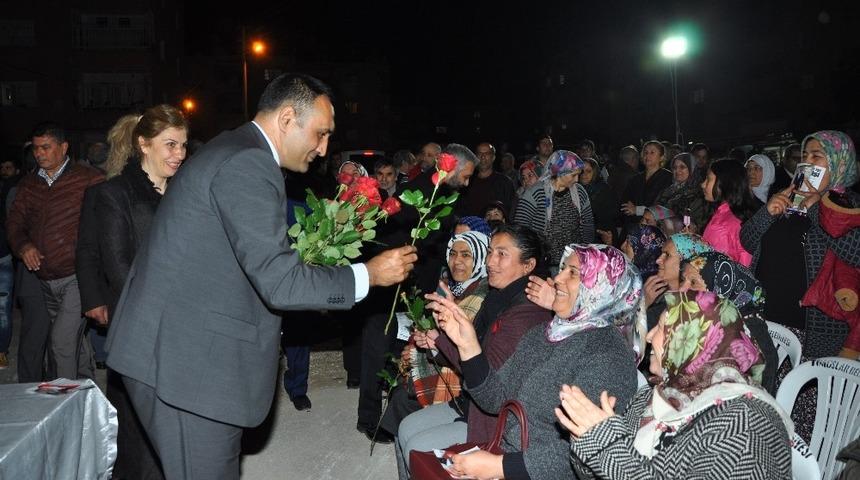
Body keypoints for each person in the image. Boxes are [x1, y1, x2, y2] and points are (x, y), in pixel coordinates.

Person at [104, 73, 417, 479]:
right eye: (320, 134)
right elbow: (280, 280)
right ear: (288, 118)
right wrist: (367, 275)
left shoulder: (234, 149)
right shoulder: (247, 162)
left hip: (181, 355)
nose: (324, 150)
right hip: (187, 368)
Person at [432, 243, 640, 479]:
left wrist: (498, 468)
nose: (557, 278)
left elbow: (586, 453)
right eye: (562, 269)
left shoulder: (608, 356)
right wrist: (467, 346)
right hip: (508, 455)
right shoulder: (546, 333)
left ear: (602, 287)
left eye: (573, 273)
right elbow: (496, 399)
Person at [561, 290, 792, 479]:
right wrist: (585, 437)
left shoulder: (747, 425)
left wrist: (605, 443)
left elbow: (616, 459)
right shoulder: (657, 396)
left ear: (695, 343)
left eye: (662, 328)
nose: (650, 336)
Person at [78, 104, 188, 480]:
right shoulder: (114, 193)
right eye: (170, 145)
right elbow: (117, 266)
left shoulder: (186, 192)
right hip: (141, 328)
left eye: (183, 146)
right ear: (144, 144)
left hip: (183, 325)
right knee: (138, 430)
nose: (178, 154)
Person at [740, 130, 859, 438]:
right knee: (763, 410)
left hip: (816, 331)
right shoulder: (787, 198)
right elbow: (748, 241)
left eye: (817, 156)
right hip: (768, 322)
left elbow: (854, 252)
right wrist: (768, 212)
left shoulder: (848, 207)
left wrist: (820, 206)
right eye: (805, 156)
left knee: (804, 419)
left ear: (838, 164)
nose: (807, 162)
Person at [381, 231, 491, 478]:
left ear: (482, 258)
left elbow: (463, 350)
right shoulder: (454, 287)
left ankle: (413, 465)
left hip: (459, 382)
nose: (457, 261)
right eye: (453, 254)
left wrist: (429, 344)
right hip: (445, 366)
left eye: (466, 255)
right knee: (400, 396)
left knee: (401, 401)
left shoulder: (482, 295)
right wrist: (424, 341)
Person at [6, 122, 105, 380]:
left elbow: (107, 222)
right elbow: (14, 223)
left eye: (46, 147)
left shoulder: (88, 179)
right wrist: (23, 245)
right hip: (46, 280)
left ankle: (64, 409)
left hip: (78, 276)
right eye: (36, 148)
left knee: (60, 343)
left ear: (63, 147)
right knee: (74, 344)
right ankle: (87, 398)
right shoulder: (29, 184)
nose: (39, 153)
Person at [679, 251, 779, 395]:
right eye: (683, 280)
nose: (682, 289)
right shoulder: (708, 320)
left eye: (693, 282)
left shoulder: (749, 337)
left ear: (721, 288)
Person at [514, 150, 594, 268]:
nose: (577, 179)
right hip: (542, 264)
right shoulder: (535, 193)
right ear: (560, 172)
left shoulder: (579, 192)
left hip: (572, 263)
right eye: (573, 175)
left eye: (578, 175)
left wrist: (586, 253)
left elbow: (588, 225)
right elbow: (520, 228)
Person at [643, 233, 714, 329]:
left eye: (667, 255)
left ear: (686, 260)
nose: (658, 260)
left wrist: (642, 306)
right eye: (661, 254)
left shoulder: (689, 310)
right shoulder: (656, 293)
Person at [701, 159, 758, 266]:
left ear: (724, 183)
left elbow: (744, 264)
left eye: (708, 179)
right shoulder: (722, 213)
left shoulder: (732, 222)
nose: (703, 185)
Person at [620, 141, 673, 228]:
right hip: (634, 225)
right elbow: (625, 203)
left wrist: (637, 210)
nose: (647, 156)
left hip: (655, 227)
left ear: (661, 157)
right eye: (645, 152)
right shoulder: (635, 179)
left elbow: (664, 207)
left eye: (652, 152)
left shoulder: (668, 177)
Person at [456, 142, 515, 217]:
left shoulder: (504, 183)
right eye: (479, 153)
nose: (483, 156)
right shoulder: (466, 181)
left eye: (487, 153)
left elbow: (510, 211)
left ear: (493, 157)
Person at [655, 153, 707, 233]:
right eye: (675, 167)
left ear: (691, 169)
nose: (677, 171)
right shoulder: (668, 190)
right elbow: (655, 210)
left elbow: (697, 224)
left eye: (682, 167)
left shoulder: (699, 193)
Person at [581, 157, 620, 244]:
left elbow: (612, 214)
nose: (584, 174)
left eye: (588, 171)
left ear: (595, 172)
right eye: (582, 171)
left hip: (602, 236)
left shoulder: (604, 189)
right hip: (585, 236)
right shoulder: (576, 188)